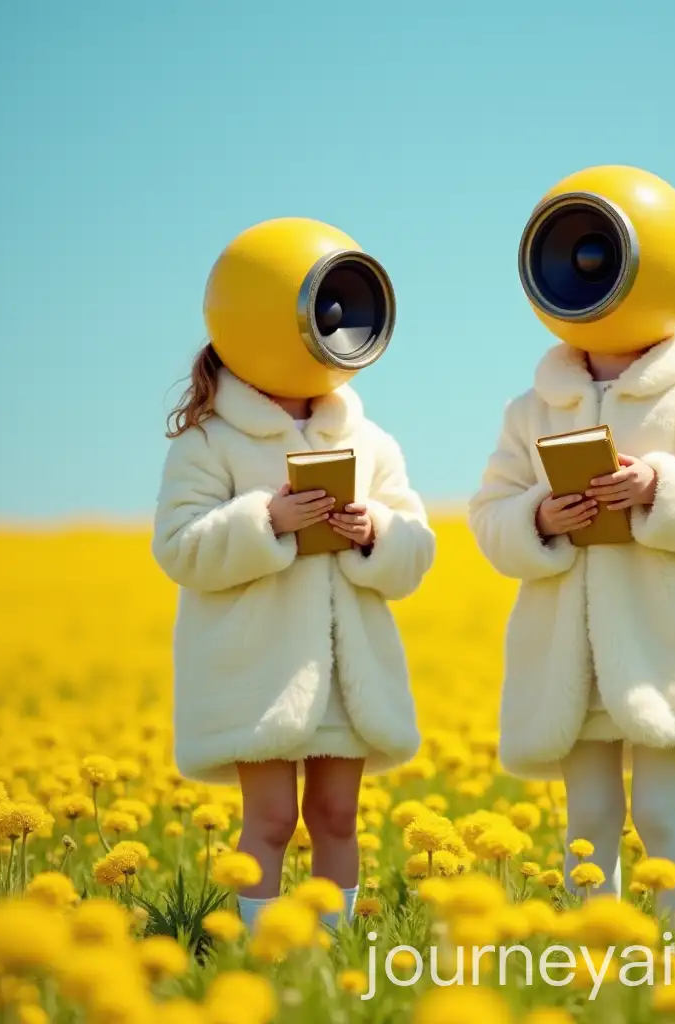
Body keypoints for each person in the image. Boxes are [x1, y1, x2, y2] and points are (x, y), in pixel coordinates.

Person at [469, 166, 675, 939]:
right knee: (588, 822)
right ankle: (598, 966)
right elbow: (490, 517)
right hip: (573, 660)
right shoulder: (531, 408)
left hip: (666, 652)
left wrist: (657, 489)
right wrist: (543, 513)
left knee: (664, 816)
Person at [153, 218, 434, 932]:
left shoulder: (371, 442)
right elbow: (179, 548)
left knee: (338, 814)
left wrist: (374, 532)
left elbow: (416, 552)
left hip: (348, 669)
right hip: (259, 670)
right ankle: (263, 950)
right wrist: (268, 520)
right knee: (272, 820)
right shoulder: (208, 442)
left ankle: (332, 954)